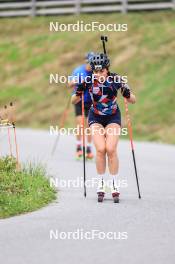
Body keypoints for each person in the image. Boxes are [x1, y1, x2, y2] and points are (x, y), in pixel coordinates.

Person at [71, 53, 136, 202]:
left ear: (107, 69)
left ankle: (114, 184)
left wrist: (126, 93)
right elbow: (73, 100)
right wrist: (79, 91)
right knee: (101, 149)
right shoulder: (88, 81)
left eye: (101, 71)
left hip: (113, 116)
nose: (98, 74)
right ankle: (101, 183)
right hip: (95, 117)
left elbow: (133, 100)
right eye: (95, 71)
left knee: (111, 149)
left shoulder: (116, 79)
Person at [69, 53, 94, 160]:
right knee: (80, 124)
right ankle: (79, 146)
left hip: (90, 101)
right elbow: (69, 84)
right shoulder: (78, 71)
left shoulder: (95, 73)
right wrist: (74, 82)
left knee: (89, 125)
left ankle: (88, 148)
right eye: (89, 62)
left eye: (92, 63)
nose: (90, 65)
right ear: (86, 62)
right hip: (79, 100)